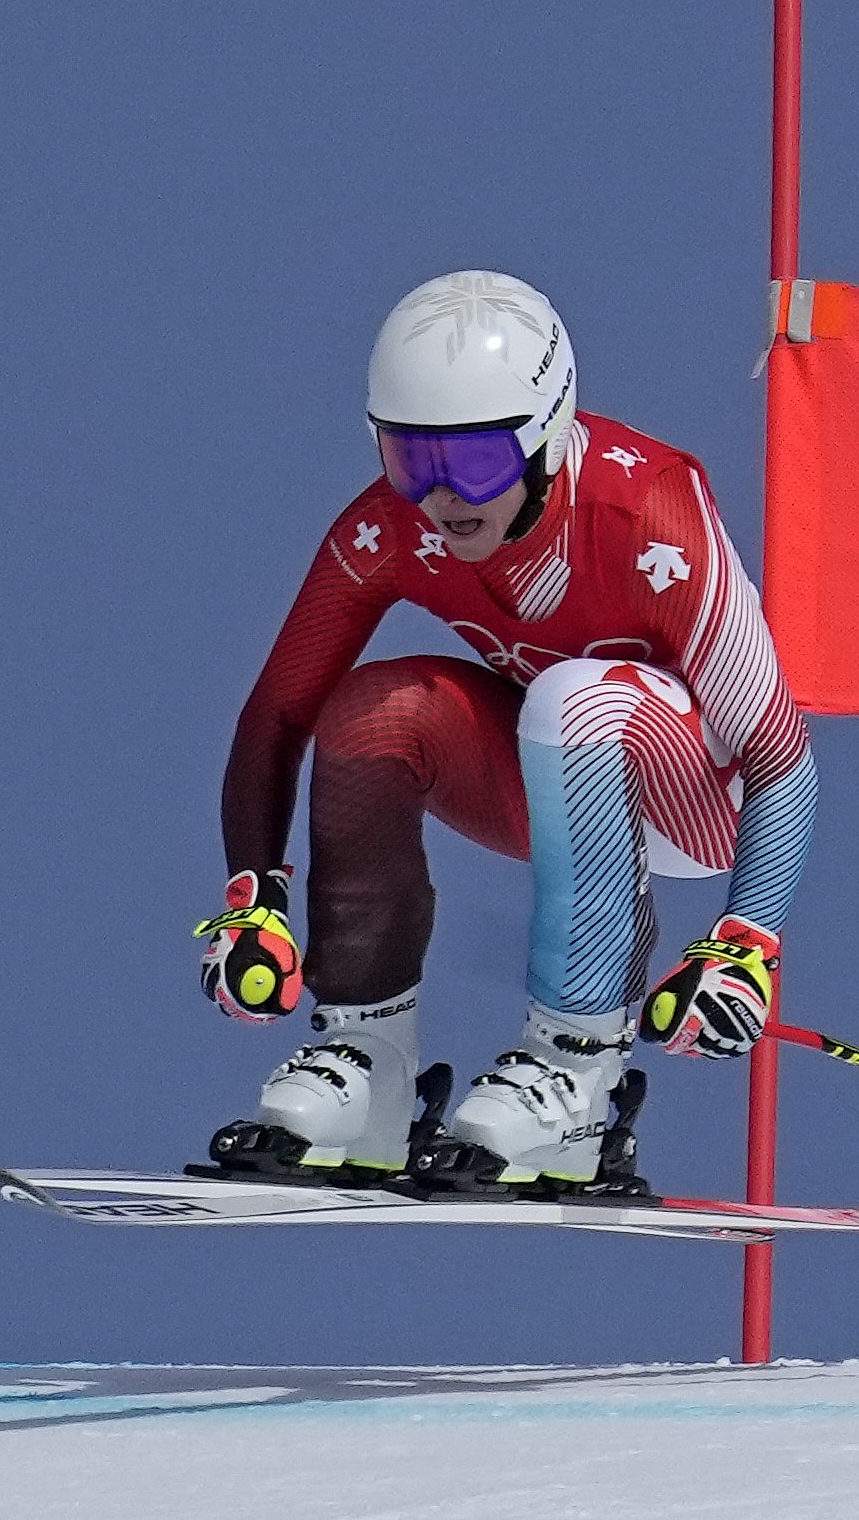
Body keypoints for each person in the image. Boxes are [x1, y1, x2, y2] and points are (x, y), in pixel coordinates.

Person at [196, 270, 816, 1193]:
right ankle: (369, 1070)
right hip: (559, 784)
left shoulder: (647, 508)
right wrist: (253, 898)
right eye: (412, 460)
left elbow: (777, 754)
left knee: (575, 694)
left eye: (477, 462)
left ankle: (577, 1074)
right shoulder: (391, 530)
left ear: (548, 435)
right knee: (373, 708)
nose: (443, 496)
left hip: (701, 797)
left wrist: (746, 939)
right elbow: (278, 712)